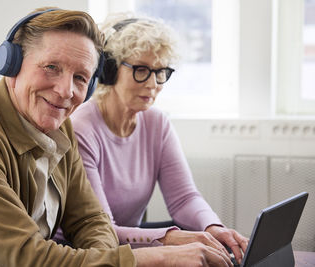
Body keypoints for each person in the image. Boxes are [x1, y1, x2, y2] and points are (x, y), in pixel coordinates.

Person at [0, 7, 233, 267]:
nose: (66, 91)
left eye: (80, 77)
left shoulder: (58, 123)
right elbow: (27, 258)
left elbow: (90, 220)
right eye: (51, 67)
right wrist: (152, 256)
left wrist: (115, 256)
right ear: (10, 65)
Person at [69, 12, 248, 264]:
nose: (153, 83)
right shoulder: (81, 129)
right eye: (141, 70)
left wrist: (212, 228)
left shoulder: (157, 122)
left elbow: (184, 198)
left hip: (131, 249)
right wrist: (170, 239)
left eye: (161, 71)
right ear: (108, 70)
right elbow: (100, 231)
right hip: (87, 254)